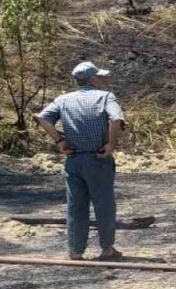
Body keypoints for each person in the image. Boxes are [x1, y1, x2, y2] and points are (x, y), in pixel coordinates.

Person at [35, 62, 127, 261]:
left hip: (74, 160)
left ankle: (76, 251)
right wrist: (111, 144)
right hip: (98, 158)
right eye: (99, 77)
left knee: (76, 206)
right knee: (104, 204)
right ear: (92, 79)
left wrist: (59, 141)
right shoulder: (105, 97)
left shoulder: (63, 99)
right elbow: (116, 119)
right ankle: (107, 249)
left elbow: (42, 118)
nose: (102, 80)